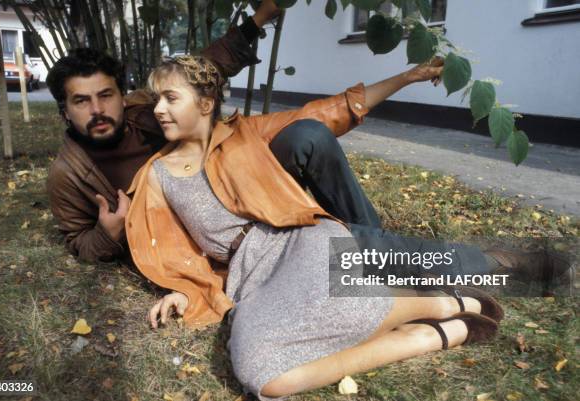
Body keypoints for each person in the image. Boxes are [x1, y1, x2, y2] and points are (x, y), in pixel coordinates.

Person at [126, 55, 506, 400]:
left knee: (344, 302)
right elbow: (172, 249)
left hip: (297, 239)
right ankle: (423, 334)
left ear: (205, 104)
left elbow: (330, 111)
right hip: (249, 277)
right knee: (260, 375)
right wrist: (180, 291)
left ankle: (446, 303)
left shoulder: (247, 134)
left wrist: (407, 77)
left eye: (170, 99)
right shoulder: (156, 175)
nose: (159, 109)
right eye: (156, 100)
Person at [45, 0, 384, 264]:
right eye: (81, 101)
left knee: (307, 135)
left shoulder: (147, 110)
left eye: (106, 96)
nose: (97, 110)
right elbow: (78, 240)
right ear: (64, 110)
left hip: (236, 184)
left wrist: (259, 18)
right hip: (206, 235)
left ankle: (379, 253)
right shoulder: (68, 174)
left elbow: (208, 65)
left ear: (121, 95)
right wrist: (108, 233)